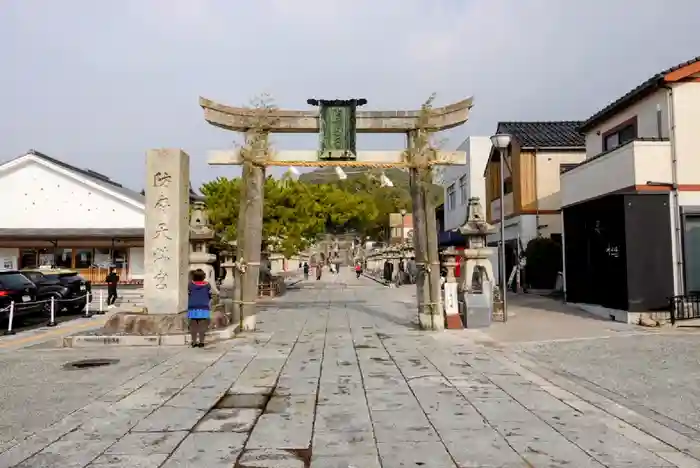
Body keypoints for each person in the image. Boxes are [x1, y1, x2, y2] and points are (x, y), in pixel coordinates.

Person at [188, 269, 212, 348]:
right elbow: (210, 295)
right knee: (202, 325)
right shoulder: (207, 285)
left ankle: (194, 342)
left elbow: (189, 293)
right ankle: (201, 342)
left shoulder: (191, 284)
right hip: (204, 306)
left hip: (193, 306)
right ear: (203, 276)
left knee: (193, 325)